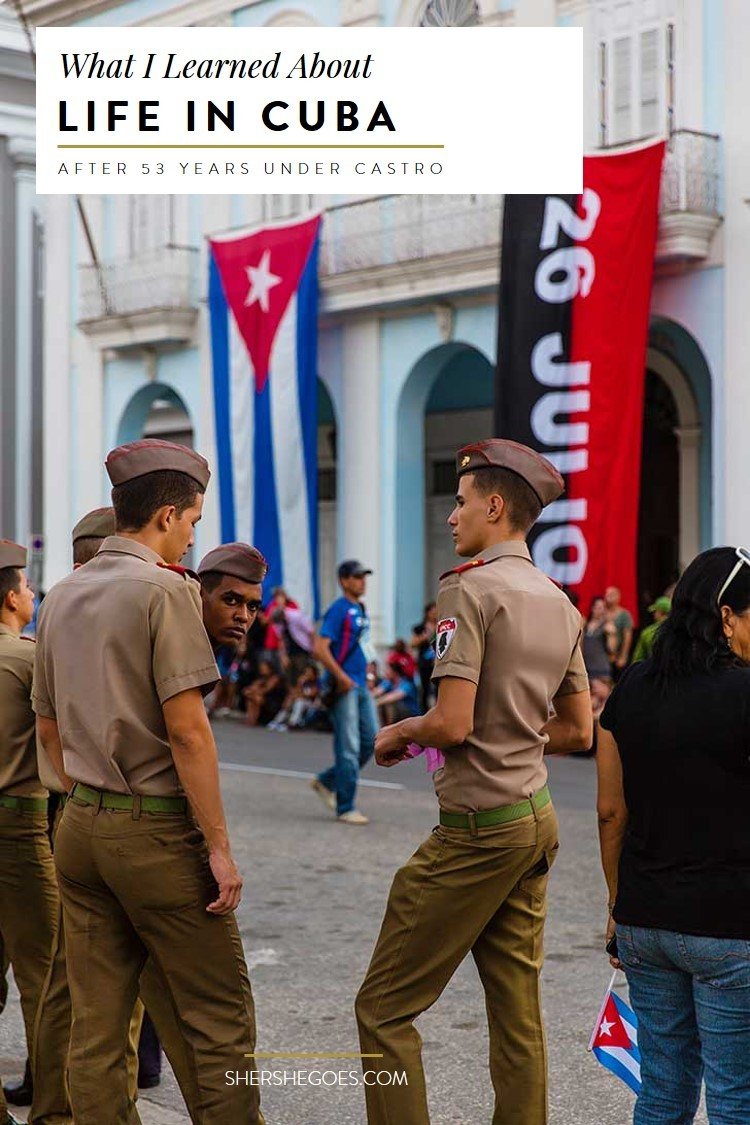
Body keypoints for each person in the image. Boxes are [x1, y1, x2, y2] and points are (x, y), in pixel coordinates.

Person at [356, 438, 592, 1125]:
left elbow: (452, 723)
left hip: (478, 828)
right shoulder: (560, 601)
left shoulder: (469, 587)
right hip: (533, 817)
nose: (453, 516)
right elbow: (578, 731)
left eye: (460, 503)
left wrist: (399, 731)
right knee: (517, 1012)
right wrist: (516, 730)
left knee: (382, 1008)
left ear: (494, 505)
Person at [32, 439, 264, 1124]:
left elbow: (48, 726)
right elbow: (189, 731)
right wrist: (217, 847)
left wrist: (91, 792)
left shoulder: (64, 592)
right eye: (192, 520)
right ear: (166, 515)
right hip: (156, 829)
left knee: (97, 1026)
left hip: (80, 823)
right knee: (218, 1016)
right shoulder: (165, 589)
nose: (194, 534)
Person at [597, 546, 750, 1124]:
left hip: (645, 917)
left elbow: (611, 812)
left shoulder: (631, 686)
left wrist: (616, 903)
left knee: (662, 1090)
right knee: (736, 1098)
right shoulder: (745, 694)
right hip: (730, 924)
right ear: (728, 616)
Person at [0, 541, 59, 1125]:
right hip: (19, 826)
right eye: (29, 588)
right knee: (44, 976)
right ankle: (53, 1107)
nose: (34, 596)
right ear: (12, 597)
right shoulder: (27, 658)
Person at [583, 595, 617, 719]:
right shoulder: (586, 624)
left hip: (601, 670)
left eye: (602, 607)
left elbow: (612, 649)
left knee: (600, 706)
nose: (600, 610)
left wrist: (612, 634)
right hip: (587, 669)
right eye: (597, 607)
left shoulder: (607, 625)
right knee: (589, 705)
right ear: (592, 608)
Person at [374, 660, 421, 726]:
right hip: (400, 716)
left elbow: (393, 697)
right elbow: (376, 692)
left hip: (411, 716)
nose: (385, 672)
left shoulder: (406, 684)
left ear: (395, 672)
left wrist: (375, 702)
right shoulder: (388, 682)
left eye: (388, 670)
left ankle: (388, 726)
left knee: (389, 703)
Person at [411, 602, 437, 711]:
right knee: (425, 688)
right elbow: (412, 643)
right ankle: (424, 712)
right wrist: (424, 637)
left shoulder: (442, 625)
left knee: (438, 688)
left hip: (438, 661)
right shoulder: (420, 628)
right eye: (432, 611)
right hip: (425, 662)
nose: (435, 614)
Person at [604, 585, 634, 678]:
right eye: (607, 594)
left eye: (612, 594)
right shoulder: (601, 612)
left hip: (616, 655)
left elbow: (627, 636)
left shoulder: (624, 614)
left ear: (618, 597)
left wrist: (623, 656)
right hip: (601, 655)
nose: (608, 597)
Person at [631, 594, 671, 662]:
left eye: (655, 611)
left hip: (653, 670)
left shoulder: (648, 632)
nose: (653, 614)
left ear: (660, 612)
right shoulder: (679, 630)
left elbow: (637, 660)